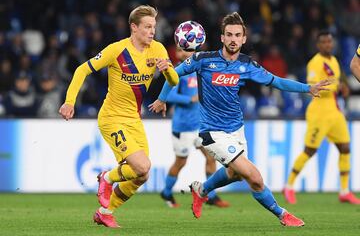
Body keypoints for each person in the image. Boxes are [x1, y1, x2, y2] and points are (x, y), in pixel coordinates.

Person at [150, 12, 331, 227]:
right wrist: (162, 99)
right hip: (212, 132)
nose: (233, 39)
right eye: (229, 34)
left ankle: (202, 190)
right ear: (222, 38)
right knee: (253, 177)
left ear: (244, 38)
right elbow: (173, 74)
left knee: (234, 174)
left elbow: (276, 81)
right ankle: (282, 214)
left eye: (238, 35)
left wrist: (307, 88)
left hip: (236, 129)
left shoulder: (247, 65)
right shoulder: (203, 60)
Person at [59, 5, 179, 228]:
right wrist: (69, 101)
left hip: (134, 120)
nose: (152, 31)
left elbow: (174, 81)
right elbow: (82, 70)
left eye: (153, 27)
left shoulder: (159, 50)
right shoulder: (117, 50)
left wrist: (167, 70)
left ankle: (105, 212)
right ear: (134, 27)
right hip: (111, 119)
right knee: (142, 166)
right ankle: (106, 178)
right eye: (147, 27)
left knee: (141, 175)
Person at [284, 31, 360, 205]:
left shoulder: (333, 61)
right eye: (324, 42)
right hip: (319, 113)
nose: (328, 45)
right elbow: (315, 88)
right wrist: (337, 86)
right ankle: (289, 186)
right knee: (309, 151)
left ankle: (344, 191)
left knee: (345, 148)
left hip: (335, 112)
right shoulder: (314, 63)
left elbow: (338, 80)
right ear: (318, 45)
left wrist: (343, 86)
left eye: (330, 42)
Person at [160, 47, 229, 208]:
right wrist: (190, 98)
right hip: (182, 127)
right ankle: (167, 192)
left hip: (200, 126)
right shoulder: (176, 72)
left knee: (211, 157)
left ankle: (211, 195)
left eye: (187, 50)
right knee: (181, 162)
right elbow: (169, 95)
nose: (182, 54)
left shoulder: (200, 69)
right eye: (178, 51)